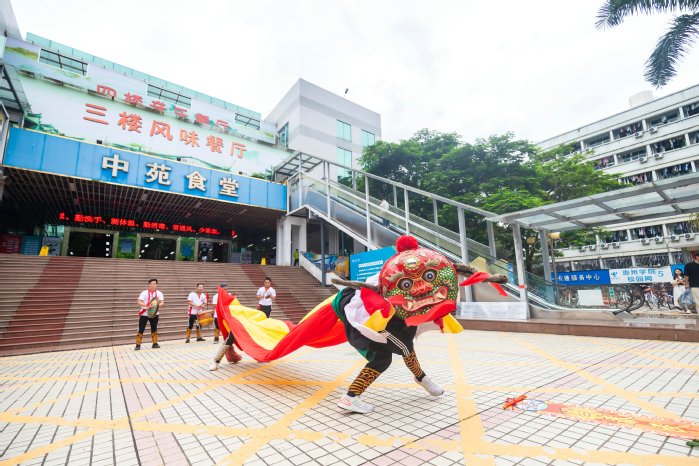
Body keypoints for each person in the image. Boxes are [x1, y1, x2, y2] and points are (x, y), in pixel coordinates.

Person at [136, 278, 164, 350]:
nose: (152, 285)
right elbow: (139, 301)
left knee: (154, 328)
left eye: (154, 284)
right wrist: (146, 305)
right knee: (141, 329)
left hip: (154, 313)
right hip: (144, 314)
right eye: (151, 284)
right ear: (149, 284)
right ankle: (138, 345)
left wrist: (156, 306)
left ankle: (155, 343)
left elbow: (162, 302)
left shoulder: (159, 293)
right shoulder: (144, 293)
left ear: (156, 285)